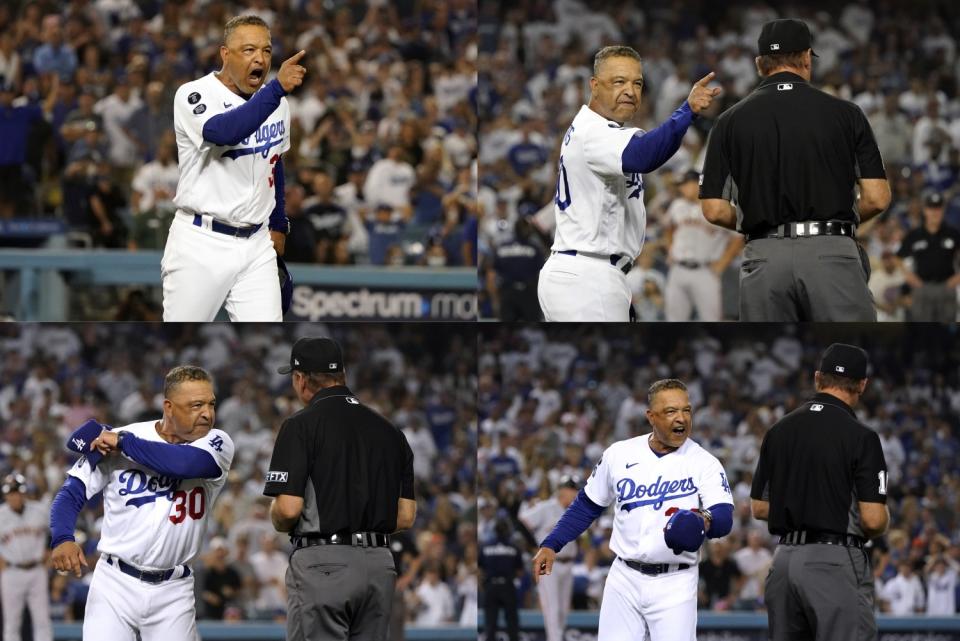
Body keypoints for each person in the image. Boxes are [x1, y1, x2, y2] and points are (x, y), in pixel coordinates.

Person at [699, 19, 892, 321]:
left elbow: (713, 209)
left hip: (764, 255)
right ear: (805, 57)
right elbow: (877, 198)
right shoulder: (847, 113)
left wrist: (759, 220)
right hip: (830, 250)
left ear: (759, 64)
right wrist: (838, 219)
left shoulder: (728, 121)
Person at [532, 379, 734, 641]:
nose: (681, 418)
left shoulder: (704, 462)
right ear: (651, 416)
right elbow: (587, 505)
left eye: (686, 410)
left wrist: (703, 521)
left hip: (675, 581)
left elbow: (723, 515)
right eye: (671, 411)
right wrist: (552, 543)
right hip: (624, 578)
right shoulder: (620, 454)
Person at [48, 365, 236, 640]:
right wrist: (62, 536)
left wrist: (123, 443)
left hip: (174, 591)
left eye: (210, 404)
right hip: (114, 584)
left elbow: (184, 464)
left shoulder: (216, 442)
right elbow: (71, 492)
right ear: (169, 407)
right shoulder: (119, 437)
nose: (207, 413)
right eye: (196, 405)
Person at [537, 45, 721, 322]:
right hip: (588, 274)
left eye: (637, 83)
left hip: (590, 273)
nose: (630, 91)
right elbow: (644, 155)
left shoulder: (598, 130)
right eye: (618, 82)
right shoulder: (594, 131)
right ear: (595, 86)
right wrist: (687, 110)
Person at [264, 336, 417, 641]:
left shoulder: (301, 425)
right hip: (379, 565)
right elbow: (405, 517)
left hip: (323, 564)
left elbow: (288, 509)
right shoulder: (390, 430)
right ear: (343, 376)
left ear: (300, 379)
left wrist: (276, 514)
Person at [163, 15, 307, 321]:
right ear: (225, 54)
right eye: (249, 50)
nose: (260, 58)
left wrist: (279, 224)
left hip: (256, 246)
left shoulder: (276, 102)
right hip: (201, 242)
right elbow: (222, 133)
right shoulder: (193, 94)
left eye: (266, 51)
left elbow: (275, 161)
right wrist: (276, 89)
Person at [750, 343, 889, 640]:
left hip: (784, 562)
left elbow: (759, 507)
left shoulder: (779, 430)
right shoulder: (862, 436)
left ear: (817, 378)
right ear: (862, 385)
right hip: (833, 561)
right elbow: (874, 520)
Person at [663, 169, 744, 321]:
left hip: (705, 271)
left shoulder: (718, 206)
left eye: (685, 184)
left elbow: (738, 237)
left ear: (697, 183)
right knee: (673, 319)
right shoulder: (677, 205)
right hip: (678, 269)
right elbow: (668, 226)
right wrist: (670, 248)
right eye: (680, 185)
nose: (681, 188)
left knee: (711, 319)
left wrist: (722, 263)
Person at [520, 475, 579, 641]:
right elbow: (522, 521)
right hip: (548, 563)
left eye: (575, 489)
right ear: (562, 490)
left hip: (568, 563)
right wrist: (533, 546)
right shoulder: (546, 507)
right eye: (572, 489)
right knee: (551, 609)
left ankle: (556, 638)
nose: (575, 492)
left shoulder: (574, 511)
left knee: (563, 610)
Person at [0, 474, 52, 641]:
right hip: (11, 572)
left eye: (18, 492)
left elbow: (54, 534)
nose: (15, 496)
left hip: (37, 570)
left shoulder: (39, 510)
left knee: (42, 621)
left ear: (24, 493)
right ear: (6, 495)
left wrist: (49, 556)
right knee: (12, 623)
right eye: (11, 493)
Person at [895, 191, 960, 322]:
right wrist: (909, 276)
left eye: (938, 208)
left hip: (946, 287)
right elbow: (898, 258)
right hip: (921, 288)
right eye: (931, 208)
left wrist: (957, 278)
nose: (935, 212)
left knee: (948, 330)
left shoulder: (953, 233)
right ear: (925, 210)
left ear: (943, 210)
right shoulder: (914, 234)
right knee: (922, 329)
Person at [479, 520, 523, 641]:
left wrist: (484, 585)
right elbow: (519, 571)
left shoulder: (485, 547)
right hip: (507, 586)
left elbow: (480, 569)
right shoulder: (514, 548)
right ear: (508, 531)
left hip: (491, 586)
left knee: (490, 624)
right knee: (512, 624)